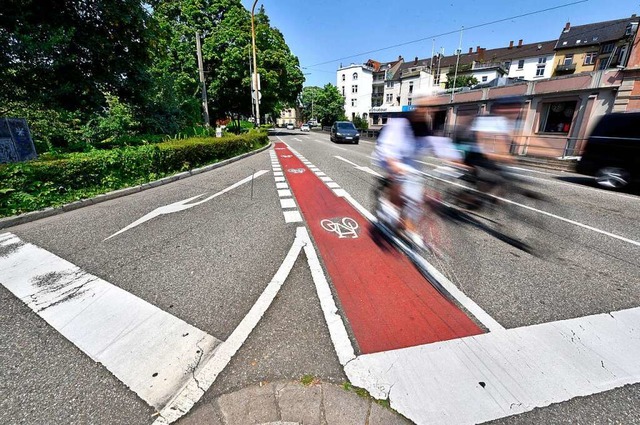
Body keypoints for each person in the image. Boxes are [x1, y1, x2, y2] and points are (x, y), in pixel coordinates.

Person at [373, 94, 461, 248]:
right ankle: (388, 205)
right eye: (426, 106)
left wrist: (458, 162)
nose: (429, 110)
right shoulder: (401, 122)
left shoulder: (426, 127)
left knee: (416, 197)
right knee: (401, 179)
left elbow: (440, 145)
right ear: (418, 105)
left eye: (432, 108)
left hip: (409, 161)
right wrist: (393, 164)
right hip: (390, 156)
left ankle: (409, 227)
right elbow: (388, 147)